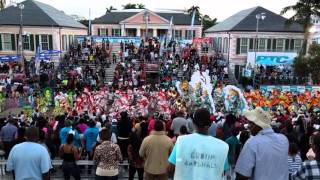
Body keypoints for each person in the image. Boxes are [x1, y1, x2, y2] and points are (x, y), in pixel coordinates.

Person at [168, 108, 229, 180]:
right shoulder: (222, 146)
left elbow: (170, 168)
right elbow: (223, 171)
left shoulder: (181, 141)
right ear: (210, 123)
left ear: (193, 123)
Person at [235, 107, 289, 180]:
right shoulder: (284, 139)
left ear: (257, 125)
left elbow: (242, 175)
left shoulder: (252, 143)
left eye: (251, 123)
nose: (249, 126)